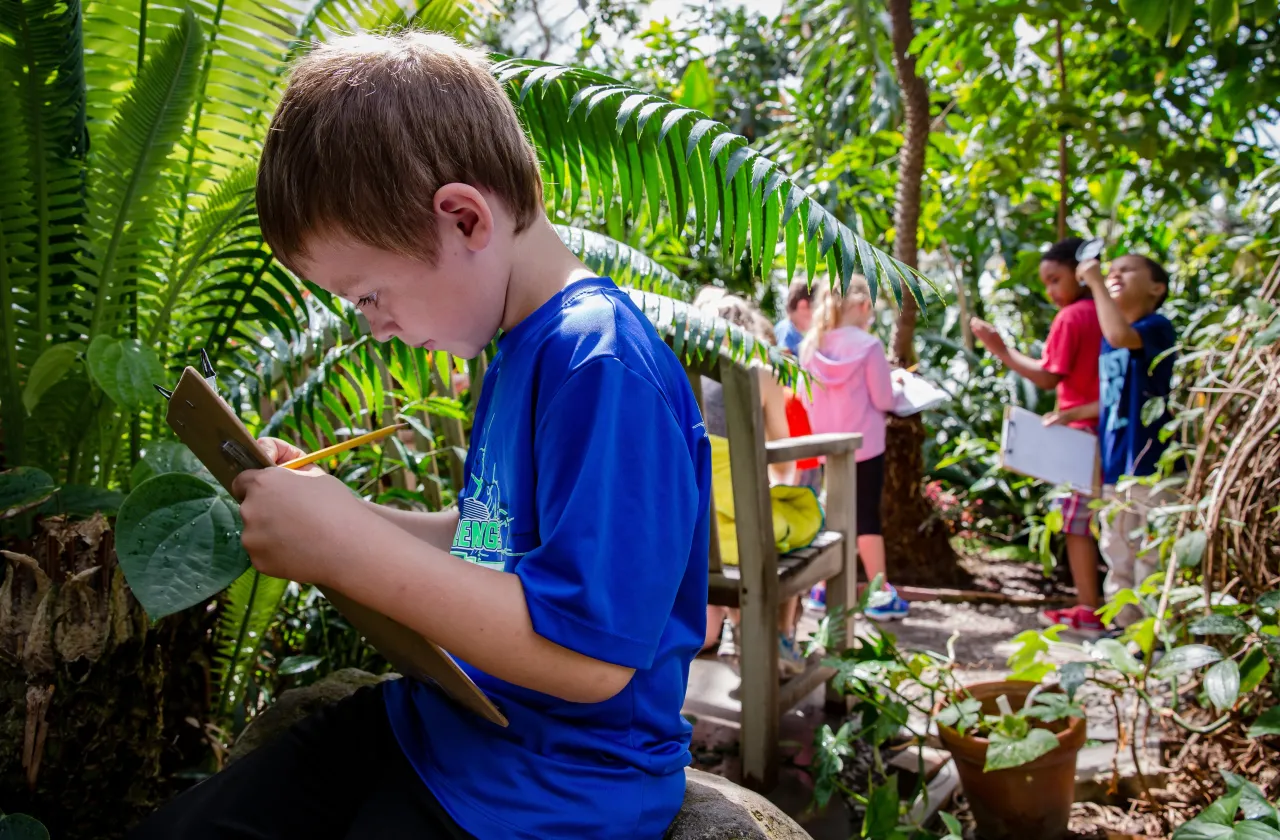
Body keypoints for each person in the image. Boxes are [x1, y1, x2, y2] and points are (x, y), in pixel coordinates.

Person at [130, 32, 711, 840]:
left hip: (554, 786)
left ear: (465, 218)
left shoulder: (599, 360)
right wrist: (337, 514)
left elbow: (590, 660)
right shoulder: (521, 345)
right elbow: (488, 541)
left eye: (367, 295)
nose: (374, 328)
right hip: (443, 725)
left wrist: (346, 551)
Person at [970, 238, 1106, 636]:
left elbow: (1049, 376)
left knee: (1076, 524)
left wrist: (1001, 350)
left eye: (1055, 279)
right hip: (1109, 427)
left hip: (1080, 433)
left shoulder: (1072, 317)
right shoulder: (1109, 310)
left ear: (1078, 273)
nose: (1051, 290)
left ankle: (1089, 609)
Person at [692, 289, 815, 678]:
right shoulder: (761, 372)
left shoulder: (676, 371)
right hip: (745, 536)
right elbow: (784, 461)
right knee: (793, 525)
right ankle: (779, 634)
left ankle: (741, 627)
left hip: (691, 535)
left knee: (732, 533)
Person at [799, 275, 909, 621]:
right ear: (863, 307)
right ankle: (878, 593)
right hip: (864, 446)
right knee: (866, 519)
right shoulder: (869, 346)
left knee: (832, 514)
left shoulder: (810, 346)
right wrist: (901, 384)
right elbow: (884, 398)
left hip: (824, 445)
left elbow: (805, 399)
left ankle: (822, 590)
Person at [1078, 252, 1177, 629]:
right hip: (1117, 467)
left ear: (1157, 288)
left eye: (1125, 270)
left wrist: (1096, 280)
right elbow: (1112, 397)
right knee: (1117, 552)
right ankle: (1123, 627)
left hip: (1152, 467)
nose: (1114, 274)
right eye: (1111, 270)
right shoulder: (1110, 340)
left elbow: (1121, 334)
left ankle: (1149, 636)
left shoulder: (1155, 327)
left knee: (1149, 556)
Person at [775, 277, 816, 357]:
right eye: (816, 308)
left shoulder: (795, 333)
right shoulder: (786, 330)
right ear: (803, 306)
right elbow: (784, 360)